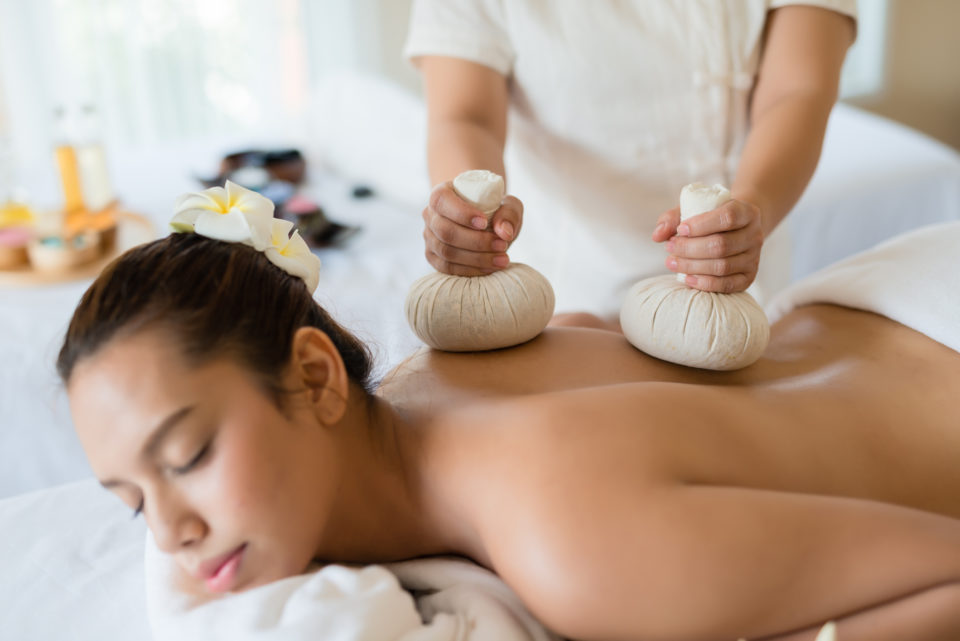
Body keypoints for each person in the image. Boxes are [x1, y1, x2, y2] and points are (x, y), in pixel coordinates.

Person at [57, 187, 960, 640]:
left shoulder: (567, 539)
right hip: (885, 296)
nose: (170, 533)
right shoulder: (439, 367)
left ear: (317, 375)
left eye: (189, 454)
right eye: (132, 499)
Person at [404, 1, 858, 327]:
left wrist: (749, 209)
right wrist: (466, 208)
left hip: (737, 285)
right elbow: (467, 117)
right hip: (569, 294)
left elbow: (797, 92)